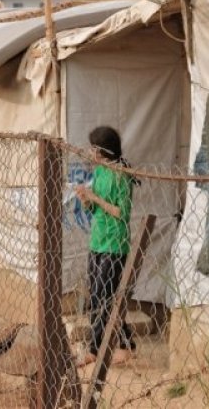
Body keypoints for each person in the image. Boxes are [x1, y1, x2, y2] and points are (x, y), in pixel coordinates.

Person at [75, 126, 136, 366]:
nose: (90, 152)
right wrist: (86, 200)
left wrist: (96, 198)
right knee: (101, 296)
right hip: (98, 240)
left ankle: (94, 349)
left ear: (102, 151)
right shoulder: (100, 171)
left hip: (115, 243)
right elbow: (96, 209)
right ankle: (126, 343)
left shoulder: (121, 175)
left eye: (93, 148)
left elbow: (122, 213)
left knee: (103, 295)